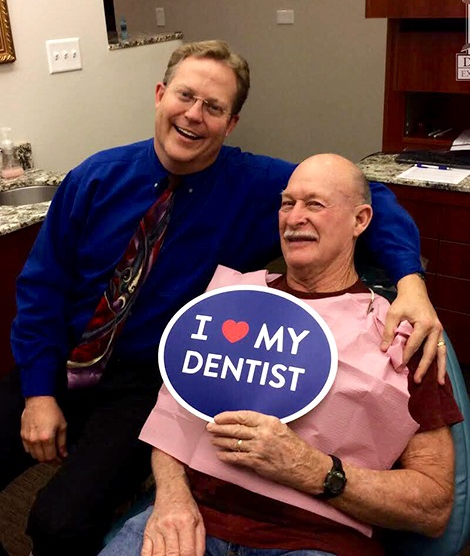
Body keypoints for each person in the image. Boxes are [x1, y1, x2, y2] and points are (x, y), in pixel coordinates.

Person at [0, 41, 442, 555]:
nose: (193, 115)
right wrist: (38, 394)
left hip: (144, 382)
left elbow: (370, 199)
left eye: (213, 107)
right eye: (185, 96)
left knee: (60, 521)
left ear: (231, 124)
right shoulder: (94, 178)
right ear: (161, 95)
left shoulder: (256, 188)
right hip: (56, 360)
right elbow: (41, 289)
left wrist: (411, 283)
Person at [101, 153, 462, 556]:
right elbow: (172, 422)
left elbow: (434, 506)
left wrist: (313, 470)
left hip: (315, 539)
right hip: (193, 519)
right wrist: (170, 498)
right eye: (287, 203)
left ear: (360, 221)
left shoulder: (402, 333)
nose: (294, 218)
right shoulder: (228, 303)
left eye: (315, 204)